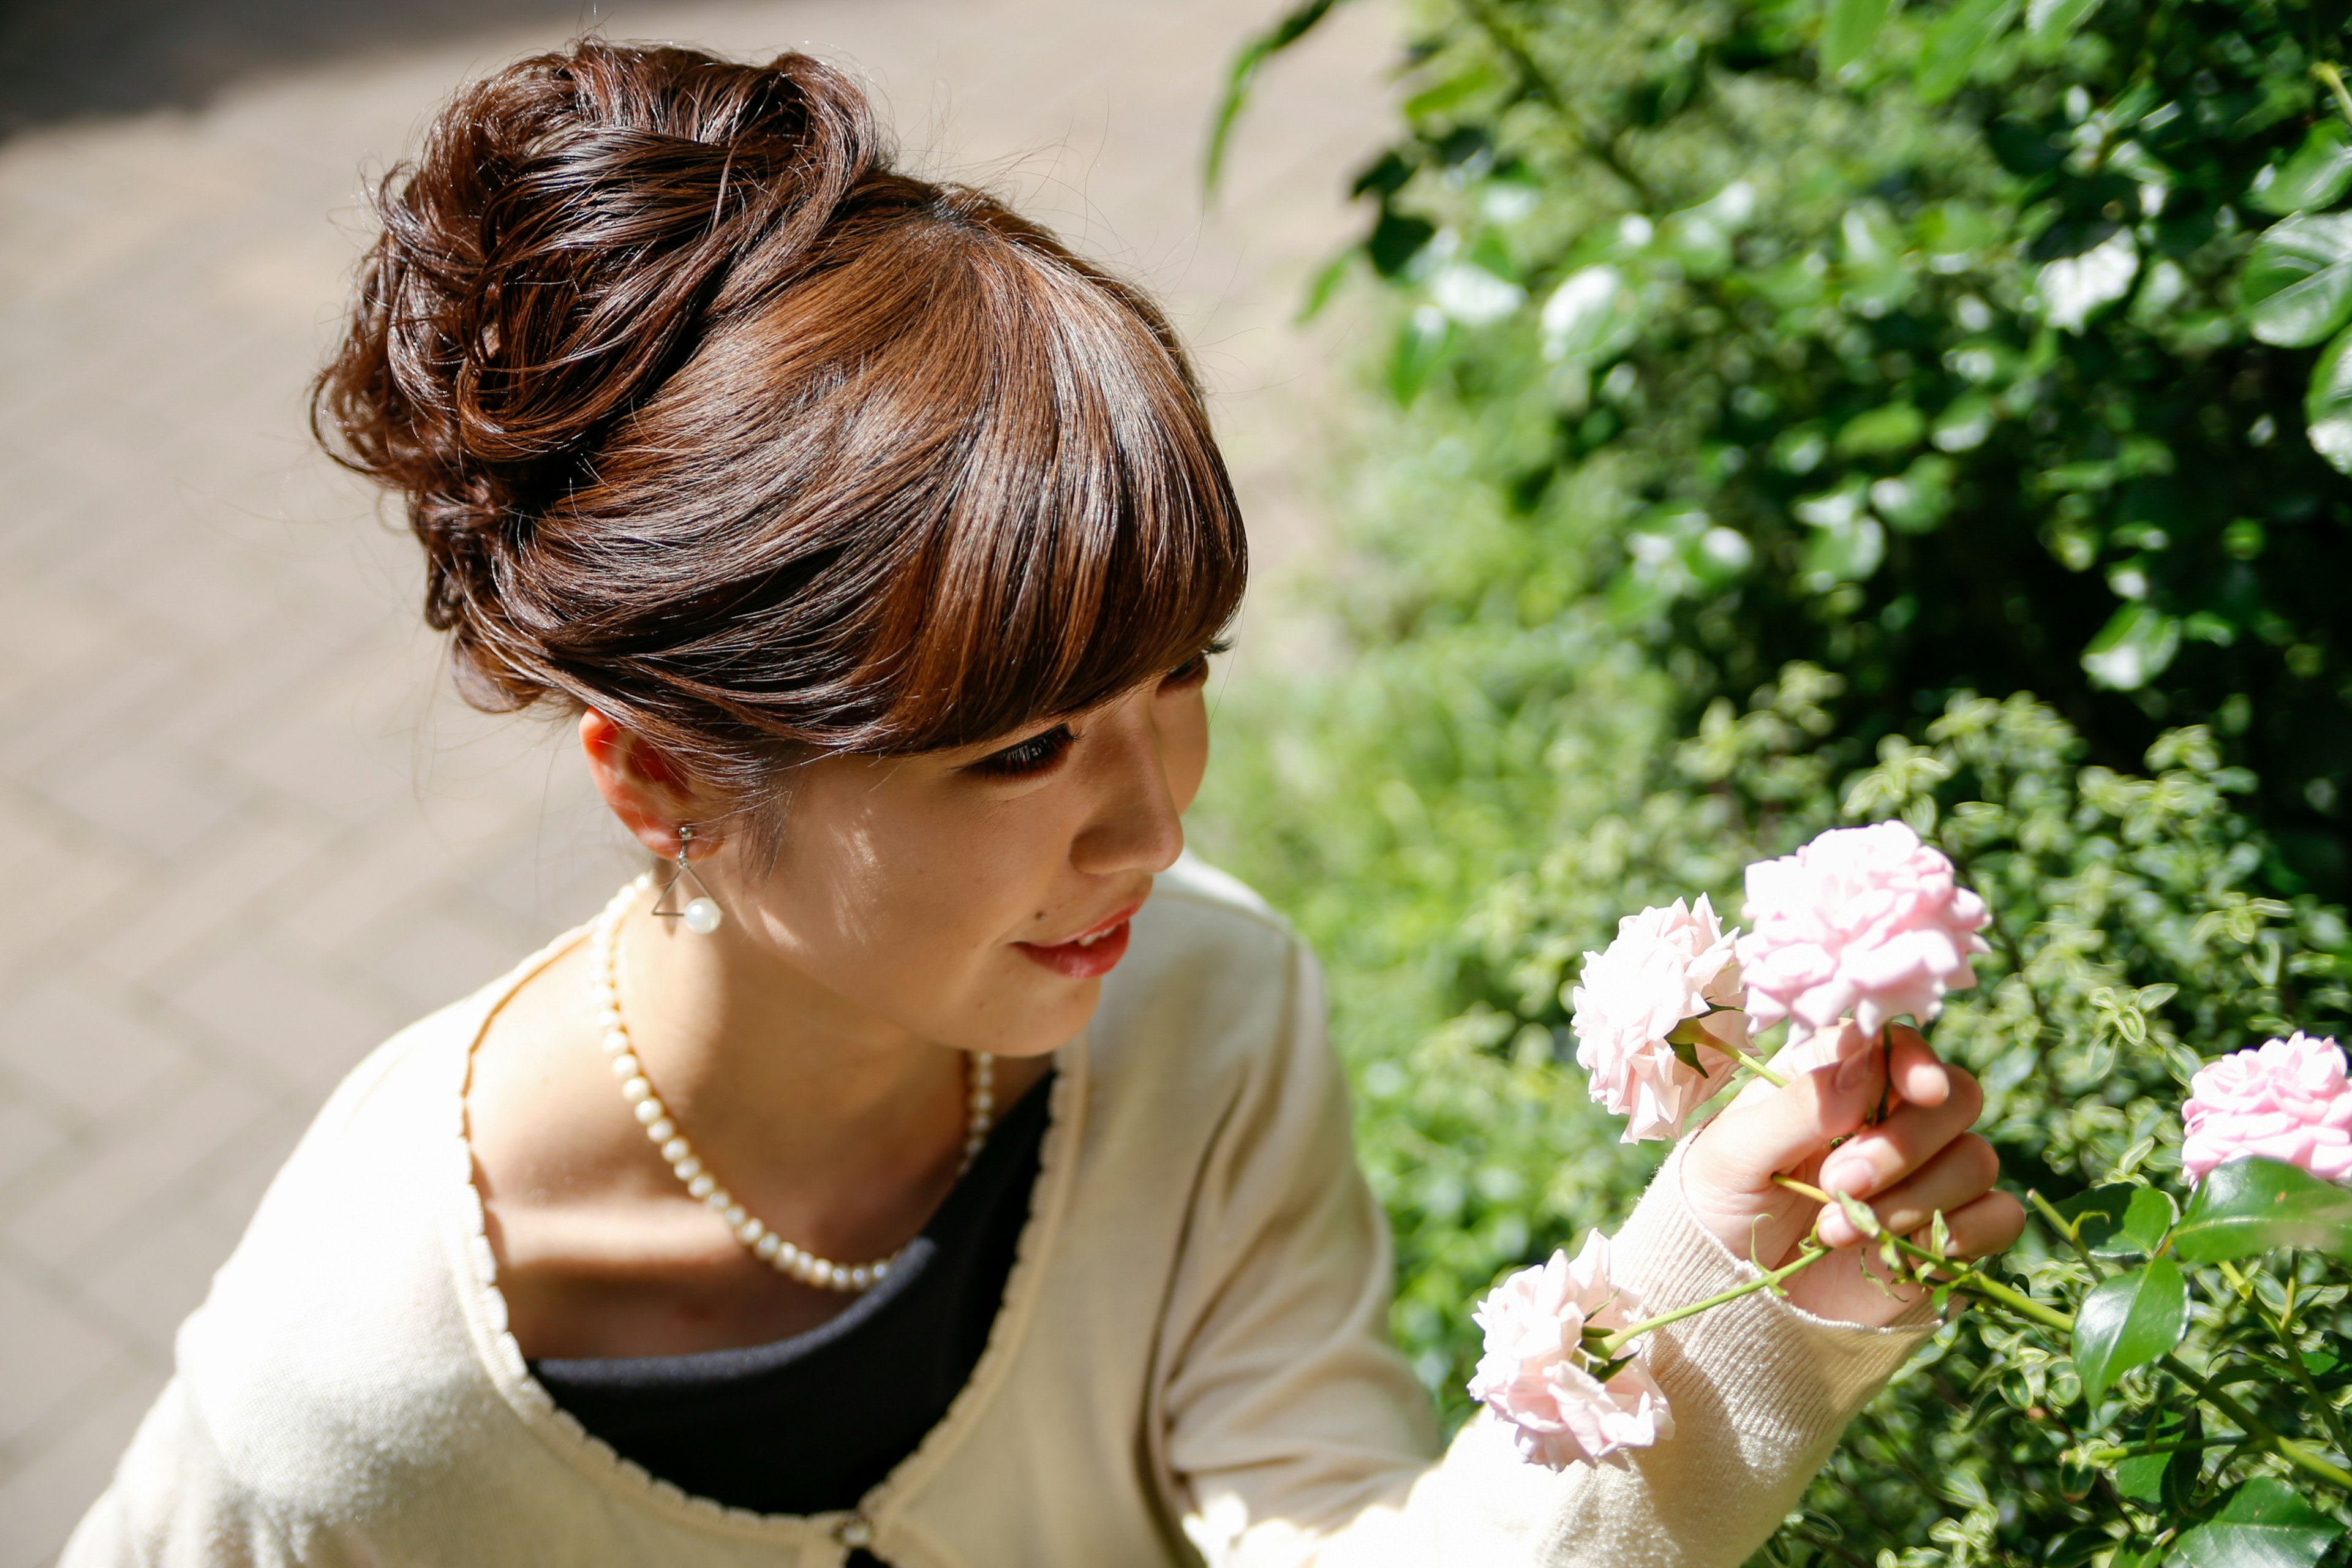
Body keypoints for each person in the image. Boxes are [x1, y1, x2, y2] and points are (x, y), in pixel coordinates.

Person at [62, 40, 2022, 1568]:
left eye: (1180, 681)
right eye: (1017, 749)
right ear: (660, 777)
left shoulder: (1206, 1008)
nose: (1152, 828)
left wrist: (1735, 1289)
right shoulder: (350, 1389)